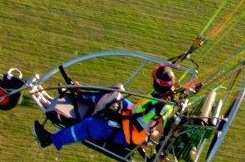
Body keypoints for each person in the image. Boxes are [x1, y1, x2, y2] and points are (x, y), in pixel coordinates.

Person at [35, 64, 185, 152]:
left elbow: (157, 133)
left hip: (126, 133)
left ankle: (51, 140)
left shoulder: (164, 107)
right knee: (116, 90)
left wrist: (153, 131)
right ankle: (79, 94)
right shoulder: (167, 95)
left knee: (88, 126)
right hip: (130, 114)